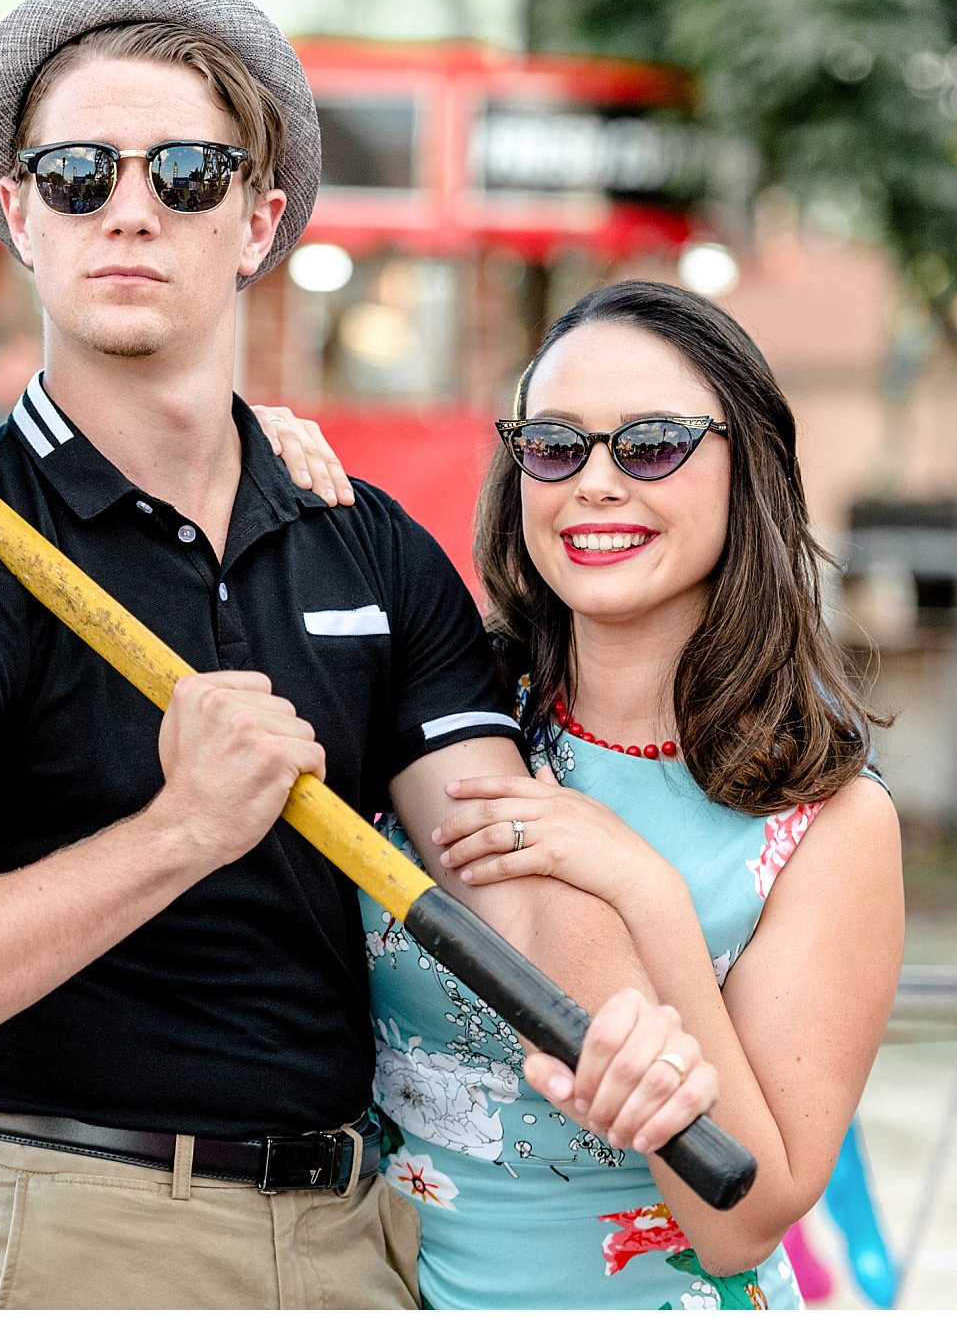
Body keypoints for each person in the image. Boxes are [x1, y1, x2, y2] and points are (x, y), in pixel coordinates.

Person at [0, 0, 716, 1310]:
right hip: (64, 1235)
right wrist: (180, 830)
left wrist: (623, 1027)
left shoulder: (365, 544)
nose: (133, 208)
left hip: (348, 1243)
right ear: (20, 214)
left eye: (190, 173)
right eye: (80, 173)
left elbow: (503, 857)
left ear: (259, 220)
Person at [354, 280, 906, 1307]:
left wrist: (642, 892)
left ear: (748, 473)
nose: (594, 485)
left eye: (650, 445)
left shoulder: (825, 821)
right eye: (556, 447)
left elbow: (739, 1220)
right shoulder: (445, 720)